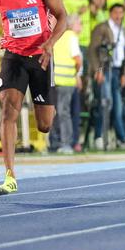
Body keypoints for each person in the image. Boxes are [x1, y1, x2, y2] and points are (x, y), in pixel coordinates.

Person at [0, 0, 67, 194]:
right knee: (8, 109)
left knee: (44, 125)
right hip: (13, 57)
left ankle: (48, 104)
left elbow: (63, 17)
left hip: (41, 57)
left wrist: (50, 43)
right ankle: (9, 175)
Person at [88, 3, 125, 149]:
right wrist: (98, 70)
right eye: (116, 12)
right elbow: (94, 51)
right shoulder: (101, 28)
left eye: (121, 12)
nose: (119, 15)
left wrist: (124, 73)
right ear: (110, 14)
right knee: (105, 103)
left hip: (118, 70)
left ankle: (121, 139)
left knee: (118, 105)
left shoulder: (124, 30)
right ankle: (99, 136)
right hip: (105, 69)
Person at [49, 14, 83, 154]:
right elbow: (78, 60)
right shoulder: (71, 37)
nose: (81, 27)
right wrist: (76, 74)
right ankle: (66, 143)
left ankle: (56, 143)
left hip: (55, 80)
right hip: (67, 80)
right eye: (79, 23)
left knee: (57, 113)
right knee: (64, 113)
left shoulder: (56, 37)